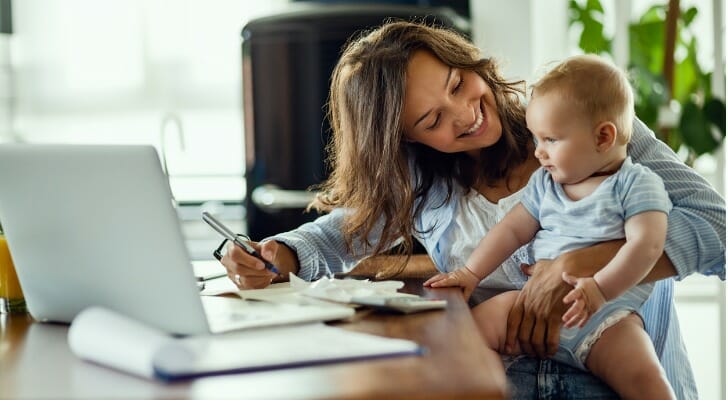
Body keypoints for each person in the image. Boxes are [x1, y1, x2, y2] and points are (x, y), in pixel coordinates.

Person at [220, 21, 725, 399]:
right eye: (433, 118)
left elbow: (719, 230)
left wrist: (578, 264)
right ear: (404, 138)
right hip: (503, 381)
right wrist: (275, 255)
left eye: (458, 84)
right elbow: (338, 234)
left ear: (467, 60)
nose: (465, 114)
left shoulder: (581, 120)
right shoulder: (423, 179)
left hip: (619, 373)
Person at [424, 54, 675, 399]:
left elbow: (647, 246)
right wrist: (470, 273)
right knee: (467, 336)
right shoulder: (546, 183)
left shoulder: (636, 185)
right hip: (528, 304)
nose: (538, 152)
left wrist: (599, 289)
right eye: (535, 139)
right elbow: (511, 231)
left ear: (603, 138)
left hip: (607, 317)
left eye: (551, 141)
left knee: (647, 380)